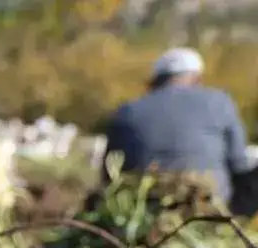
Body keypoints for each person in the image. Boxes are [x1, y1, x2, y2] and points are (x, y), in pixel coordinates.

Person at [103, 47, 251, 206]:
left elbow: (108, 171)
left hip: (145, 207)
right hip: (209, 206)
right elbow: (239, 162)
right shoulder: (220, 102)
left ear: (156, 80)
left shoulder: (127, 110)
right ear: (197, 78)